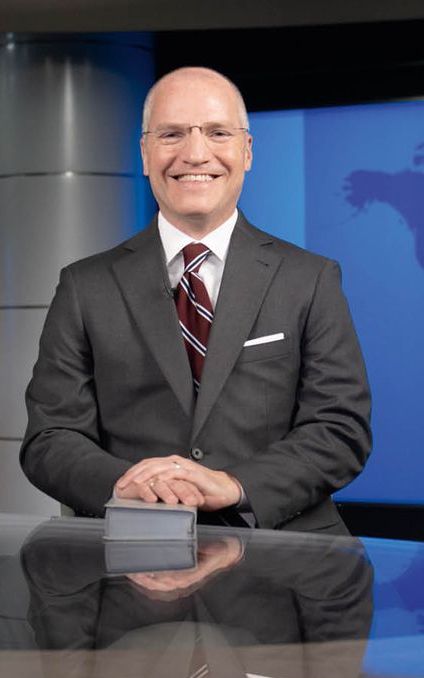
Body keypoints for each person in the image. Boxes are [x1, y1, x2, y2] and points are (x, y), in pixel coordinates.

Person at [20, 66, 371, 534]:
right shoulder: (85, 286)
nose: (195, 153)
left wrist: (235, 485)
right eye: (172, 134)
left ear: (247, 151)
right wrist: (128, 485)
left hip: (285, 555)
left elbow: (341, 429)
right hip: (136, 551)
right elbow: (49, 437)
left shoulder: (310, 279)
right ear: (145, 154)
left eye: (217, 133)